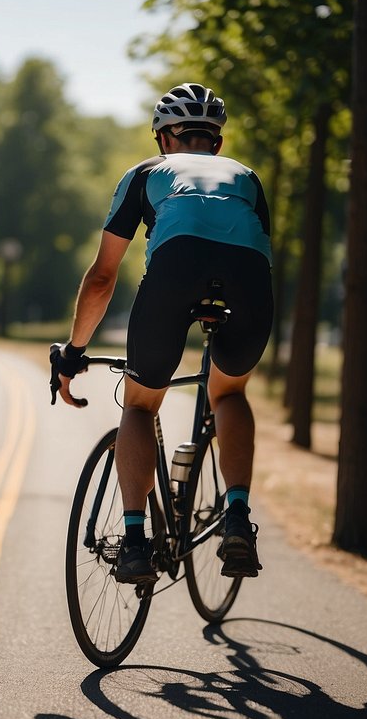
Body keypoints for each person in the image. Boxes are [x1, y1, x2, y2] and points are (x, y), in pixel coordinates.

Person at [54, 82, 273, 585]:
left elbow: (104, 276)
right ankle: (236, 515)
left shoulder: (146, 173)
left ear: (162, 140)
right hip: (250, 282)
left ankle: (134, 542)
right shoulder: (248, 177)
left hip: (175, 271)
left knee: (139, 404)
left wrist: (75, 351)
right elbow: (253, 248)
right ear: (217, 142)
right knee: (230, 392)